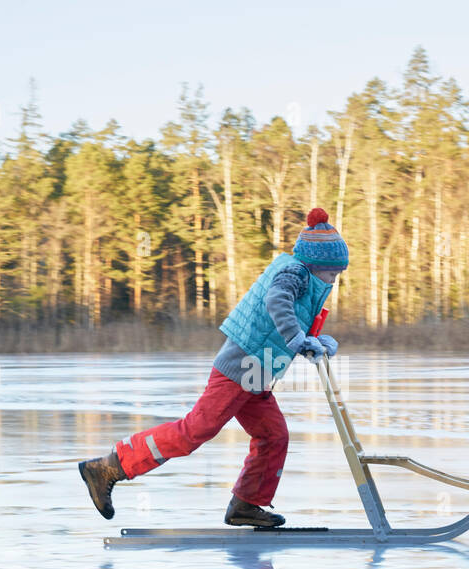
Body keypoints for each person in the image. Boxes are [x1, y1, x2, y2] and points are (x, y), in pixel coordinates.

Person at [79, 208, 346, 527]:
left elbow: (287, 323)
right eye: (332, 272)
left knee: (274, 435)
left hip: (258, 372)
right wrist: (299, 339)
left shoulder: (306, 280)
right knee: (196, 430)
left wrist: (316, 340)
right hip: (240, 365)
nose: (334, 278)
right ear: (316, 264)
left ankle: (246, 505)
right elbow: (277, 304)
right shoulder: (294, 273)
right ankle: (109, 466)